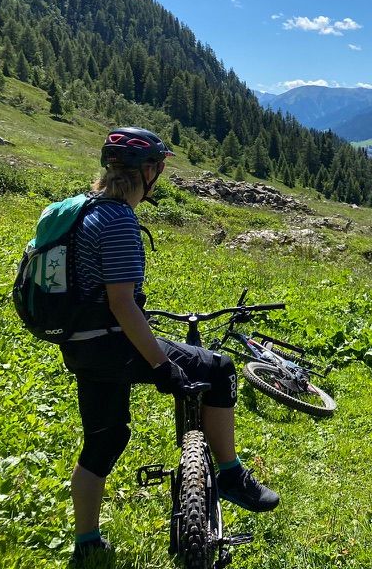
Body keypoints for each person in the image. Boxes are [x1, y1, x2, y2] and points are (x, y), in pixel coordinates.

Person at [60, 127, 279, 564]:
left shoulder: (84, 211)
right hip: (115, 343)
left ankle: (86, 543)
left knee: (104, 439)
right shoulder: (119, 219)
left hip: (81, 347)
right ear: (148, 171)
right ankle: (231, 474)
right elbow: (122, 304)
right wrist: (162, 366)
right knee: (218, 368)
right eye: (158, 167)